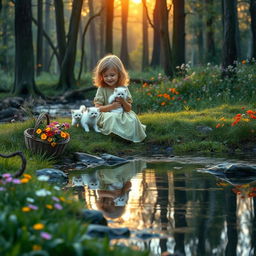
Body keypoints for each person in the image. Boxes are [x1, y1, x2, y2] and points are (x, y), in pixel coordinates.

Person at [93, 54, 146, 143]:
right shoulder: (102, 88)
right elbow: (98, 108)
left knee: (132, 119)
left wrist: (123, 101)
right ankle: (115, 135)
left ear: (119, 74)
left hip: (122, 113)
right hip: (107, 113)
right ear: (101, 76)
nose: (109, 78)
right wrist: (111, 107)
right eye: (105, 76)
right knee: (112, 117)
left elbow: (128, 109)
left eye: (112, 75)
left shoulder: (123, 88)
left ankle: (126, 137)